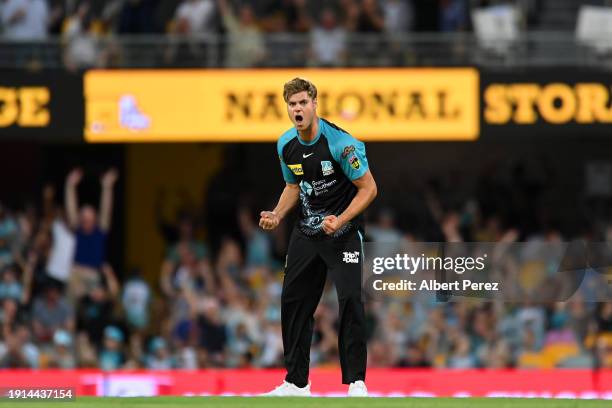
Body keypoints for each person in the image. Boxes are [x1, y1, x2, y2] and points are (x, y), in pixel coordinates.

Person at [259, 77, 377, 397]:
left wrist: (340, 219)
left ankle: (356, 381)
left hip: (344, 233)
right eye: (292, 104)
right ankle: (297, 382)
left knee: (350, 299)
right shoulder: (286, 145)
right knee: (293, 302)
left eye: (302, 103)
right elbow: (292, 187)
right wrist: (277, 214)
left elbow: (369, 189)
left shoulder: (342, 144)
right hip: (308, 231)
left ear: (315, 104)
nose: (297, 109)